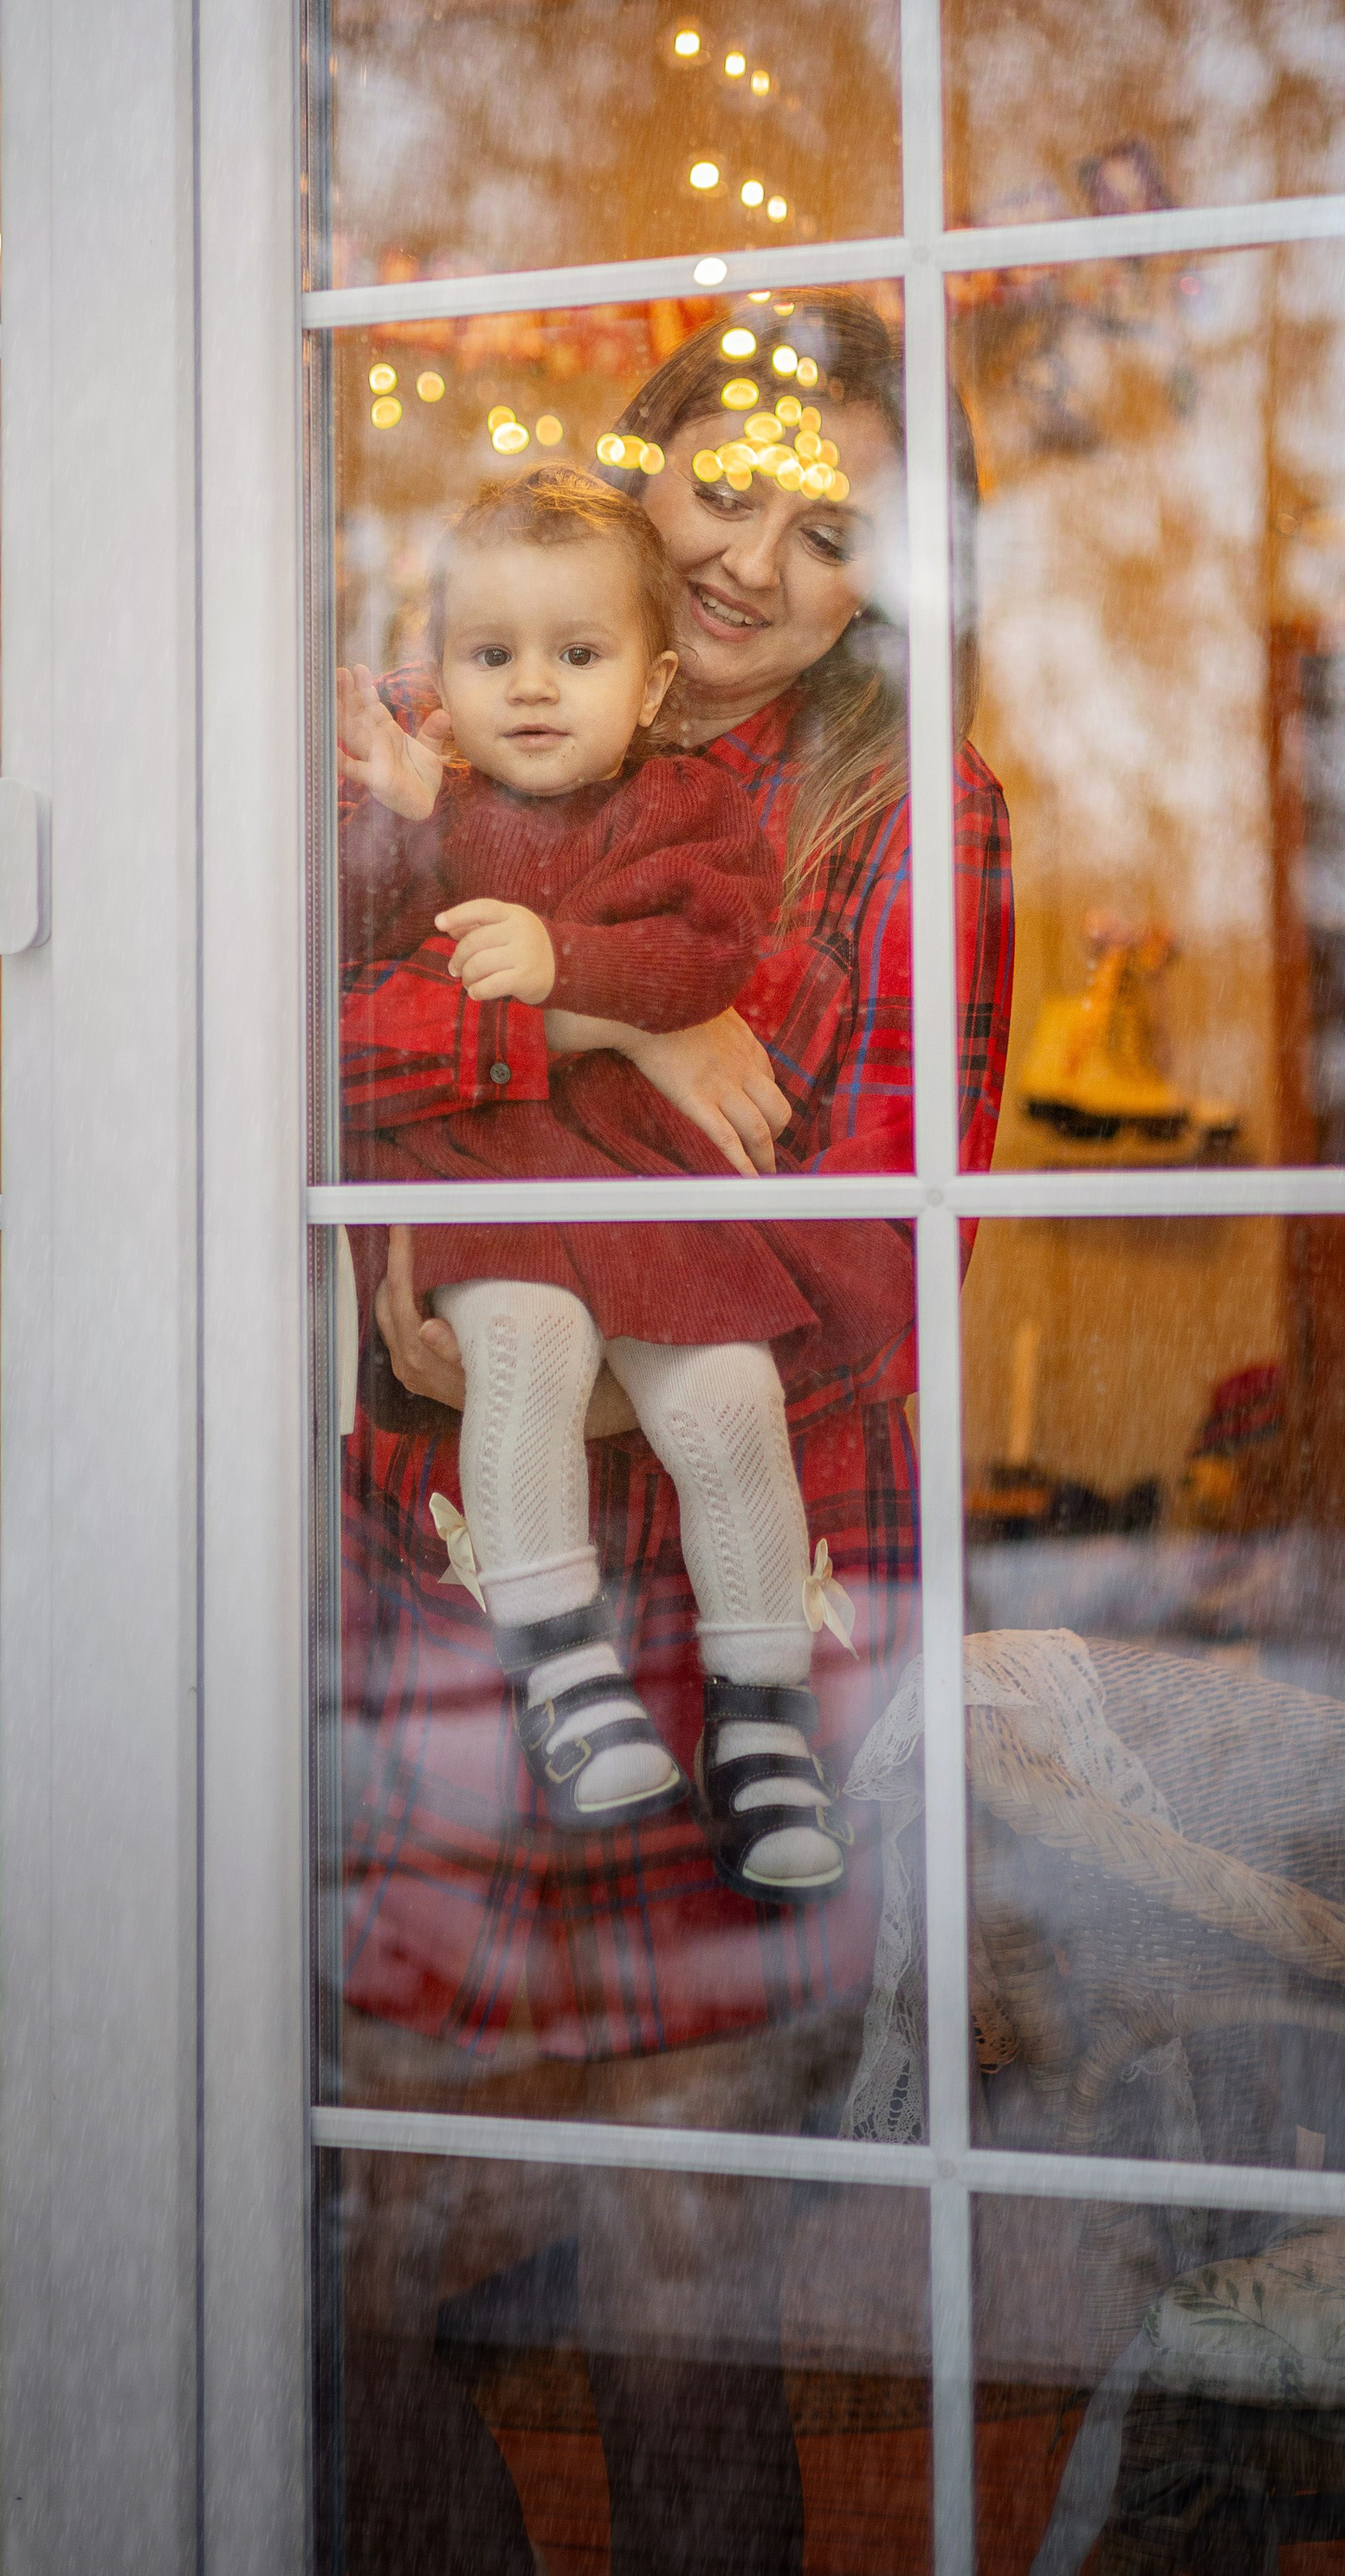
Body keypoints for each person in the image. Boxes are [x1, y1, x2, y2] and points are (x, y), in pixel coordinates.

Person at [332, 294, 1014, 2576]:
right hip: (446, 1573)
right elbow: (282, 1071)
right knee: (329, 2251)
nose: (753, 562)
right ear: (641, 465)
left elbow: (870, 1274)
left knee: (677, 2292)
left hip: (739, 1585)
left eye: (832, 532)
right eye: (728, 485)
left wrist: (503, 1131)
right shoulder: (442, 734)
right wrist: (609, 1060)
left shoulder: (912, 820)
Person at [337, 462, 900, 1896]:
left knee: (728, 1398)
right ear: (444, 676)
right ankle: (556, 1666)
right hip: (496, 1173)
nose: (532, 688)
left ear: (650, 688)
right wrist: (403, 821)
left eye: (576, 658)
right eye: (491, 657)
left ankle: (763, 1714)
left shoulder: (683, 808)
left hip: (641, 1189)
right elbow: (337, 1015)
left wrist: (565, 971)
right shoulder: (421, 805)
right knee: (524, 1346)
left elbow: (707, 957)